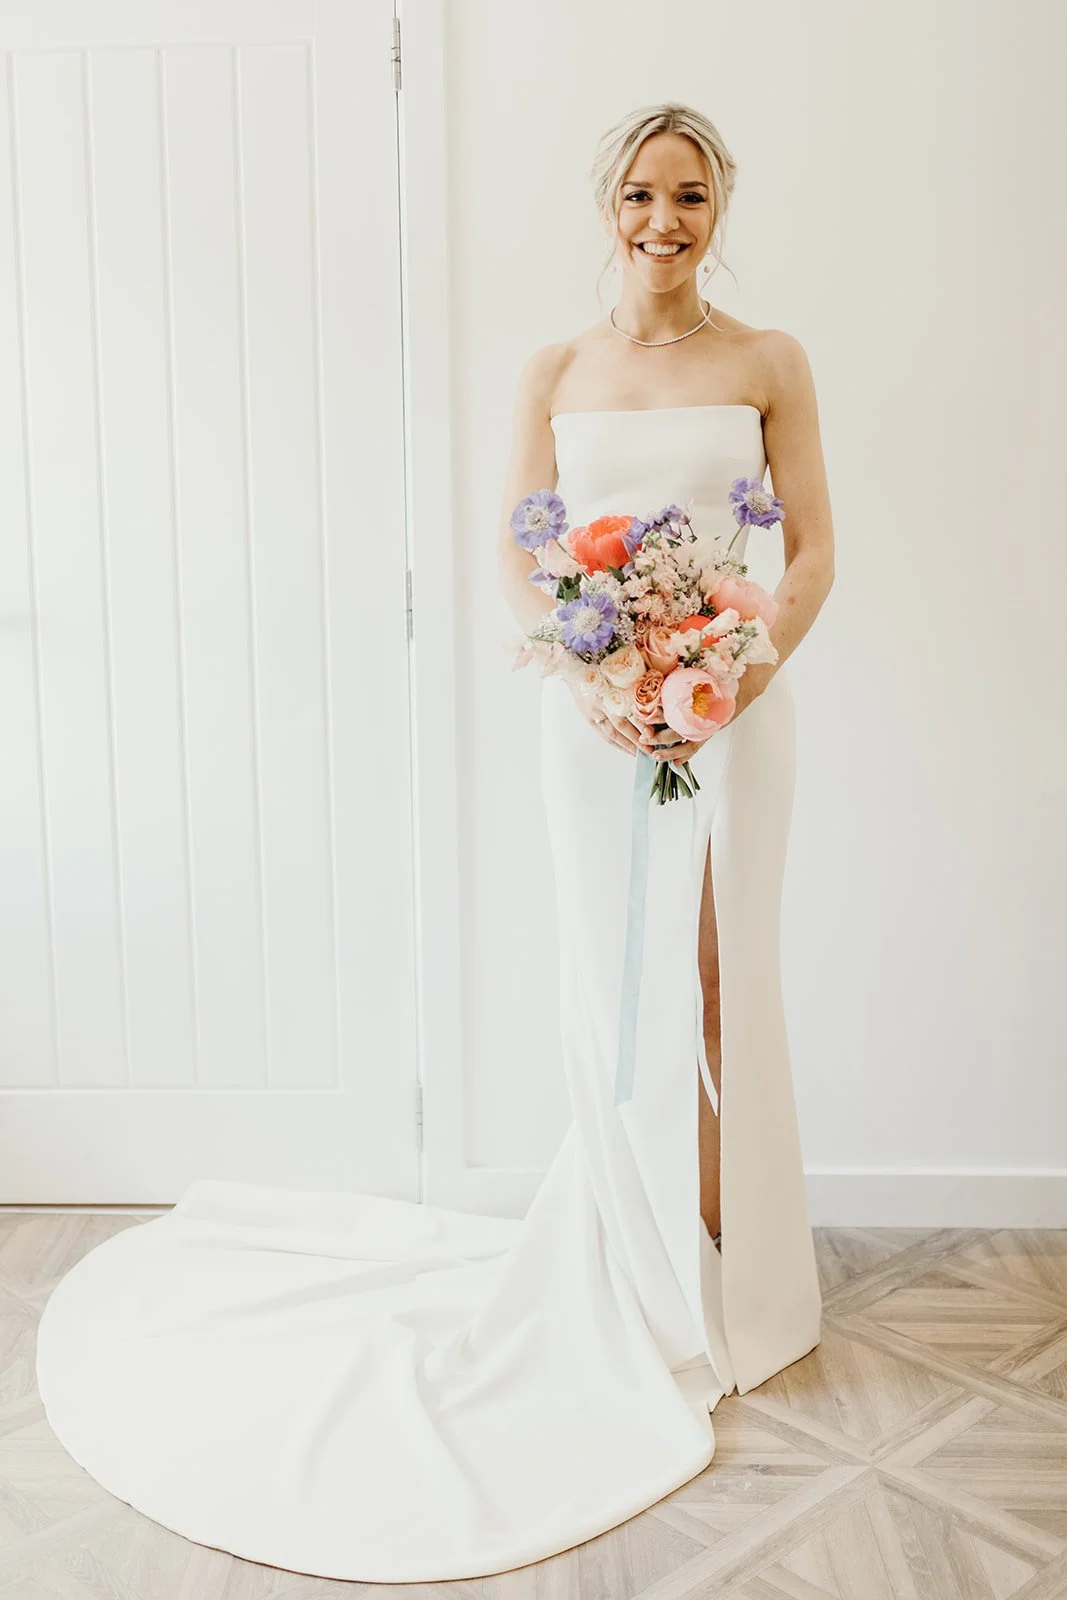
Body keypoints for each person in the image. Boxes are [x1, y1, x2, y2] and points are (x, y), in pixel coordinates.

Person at [34, 102, 835, 1585]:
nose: (664, 220)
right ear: (606, 204)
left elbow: (815, 549)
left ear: (720, 206)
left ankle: (736, 1291)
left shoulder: (770, 360)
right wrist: (600, 677)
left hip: (738, 709)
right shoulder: (552, 370)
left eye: (690, 195)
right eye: (640, 194)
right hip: (594, 716)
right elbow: (525, 555)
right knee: (616, 994)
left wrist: (733, 670)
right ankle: (634, 1274)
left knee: (727, 984)